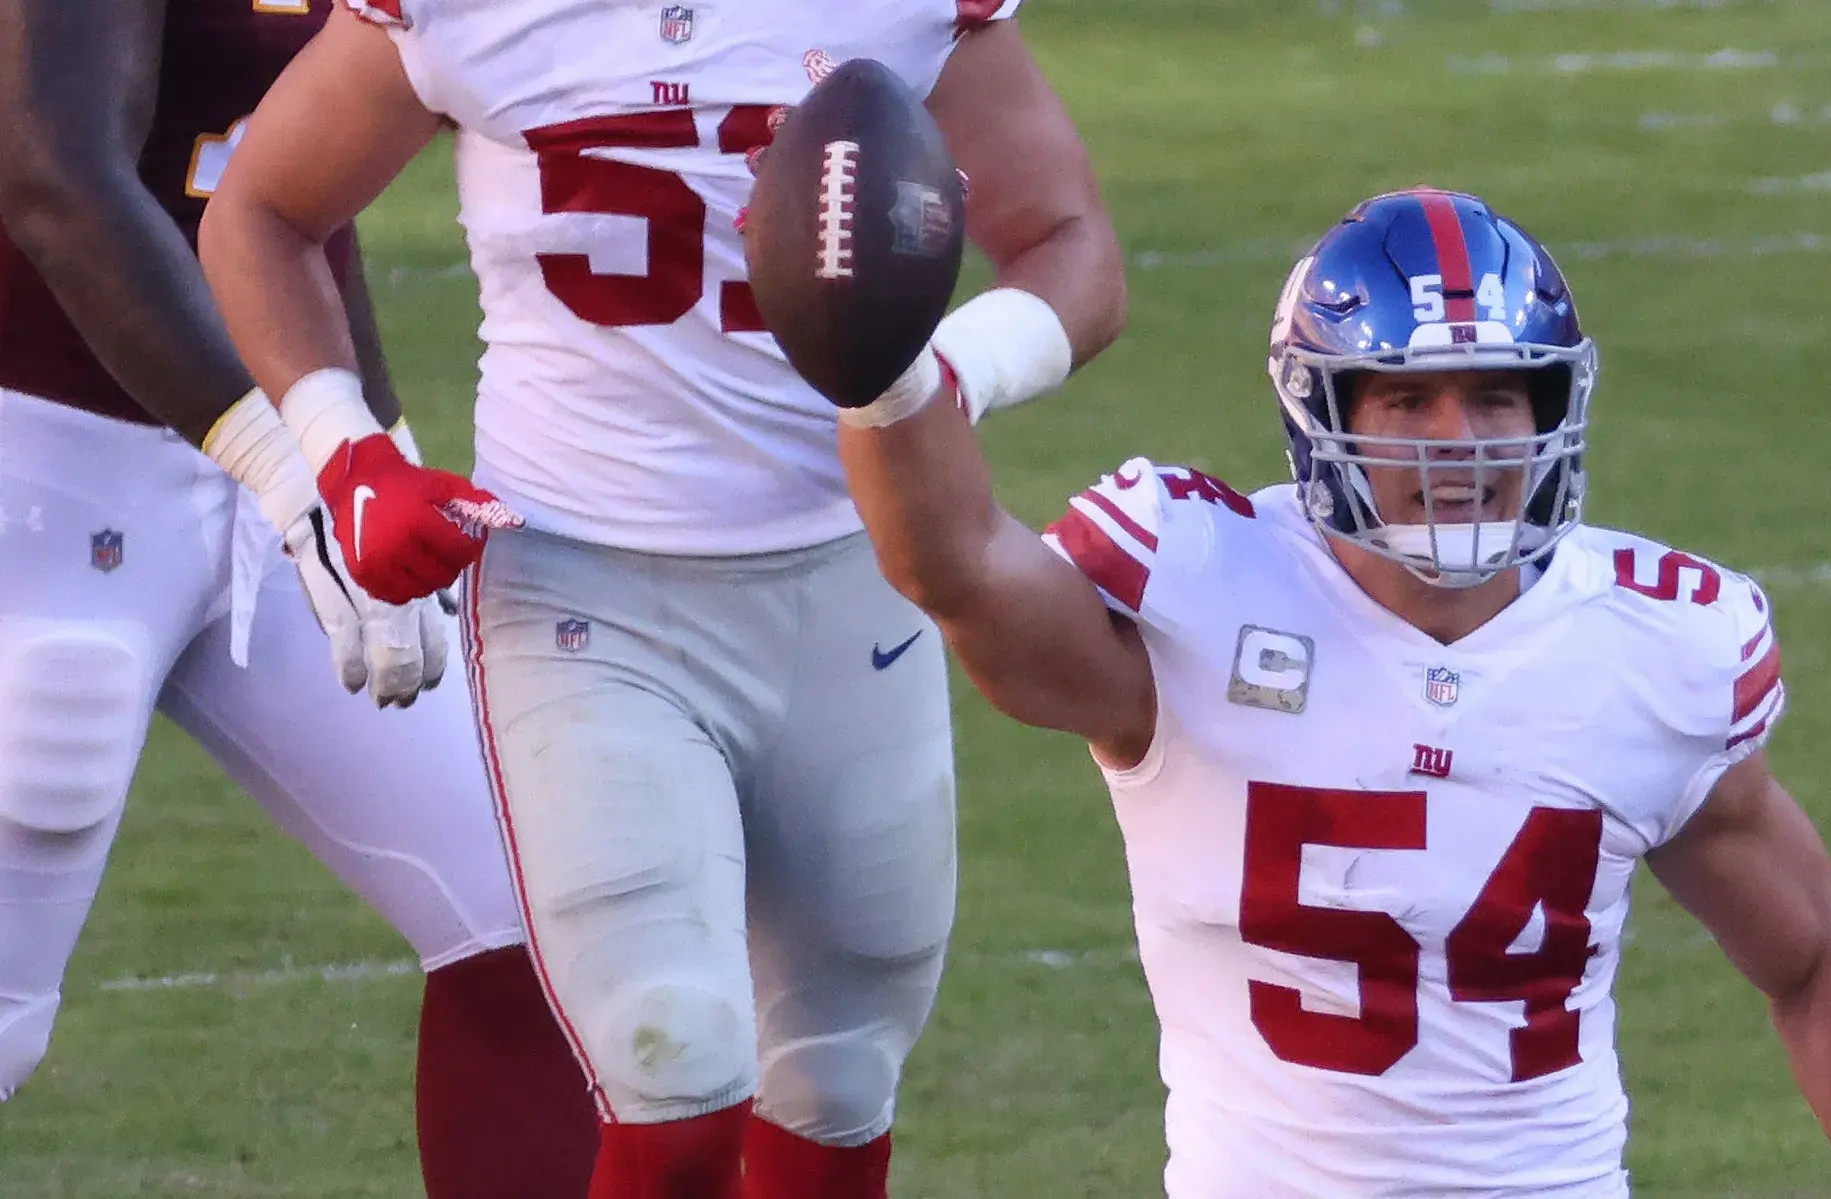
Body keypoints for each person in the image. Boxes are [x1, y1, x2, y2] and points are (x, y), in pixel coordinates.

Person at [828, 187, 1831, 1198]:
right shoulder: (1196, 588)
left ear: (1552, 410)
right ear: (1329, 414)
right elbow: (954, 564)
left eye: (1493, 397)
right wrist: (882, 376)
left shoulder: (1654, 646)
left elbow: (1811, 958)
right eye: (1407, 401)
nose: (1455, 440)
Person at [195, 0, 1127, 1193]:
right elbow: (260, 213)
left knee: (836, 1094)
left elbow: (1069, 244)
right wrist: (345, 450)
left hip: (851, 575)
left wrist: (943, 371)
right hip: (588, 585)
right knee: (673, 1066)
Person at [0, 0, 598, 1193]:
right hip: (46, 461)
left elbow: (292, 197)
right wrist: (290, 464)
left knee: (549, 913)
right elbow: (52, 172)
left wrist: (366, 437)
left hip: (272, 446)